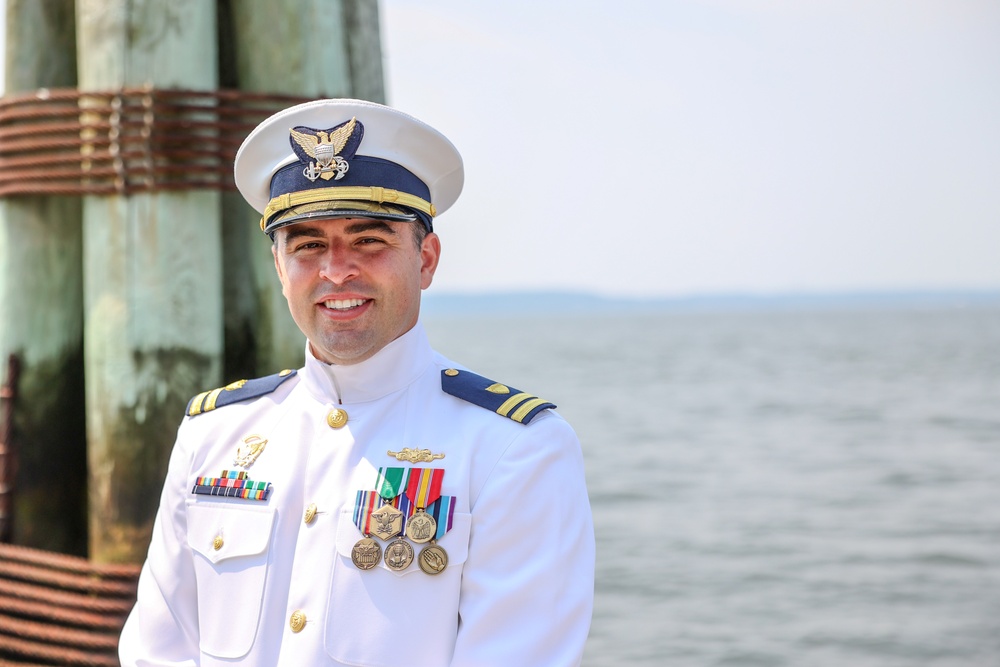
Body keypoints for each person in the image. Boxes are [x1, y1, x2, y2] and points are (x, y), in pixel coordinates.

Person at [118, 98, 595, 666]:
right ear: (278, 266)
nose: (336, 269)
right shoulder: (213, 433)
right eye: (308, 244)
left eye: (370, 240)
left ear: (426, 259)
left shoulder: (513, 449)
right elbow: (157, 650)